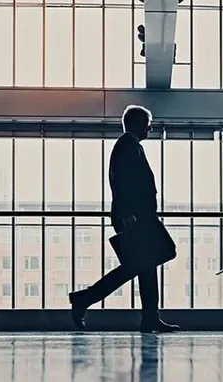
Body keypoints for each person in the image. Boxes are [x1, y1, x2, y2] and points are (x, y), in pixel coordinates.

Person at [68, 105, 179, 333]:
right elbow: (124, 182)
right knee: (148, 260)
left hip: (137, 216)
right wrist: (130, 215)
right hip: (136, 217)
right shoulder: (128, 145)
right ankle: (85, 298)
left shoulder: (128, 145)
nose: (150, 127)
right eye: (148, 122)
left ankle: (149, 317)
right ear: (138, 123)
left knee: (144, 266)